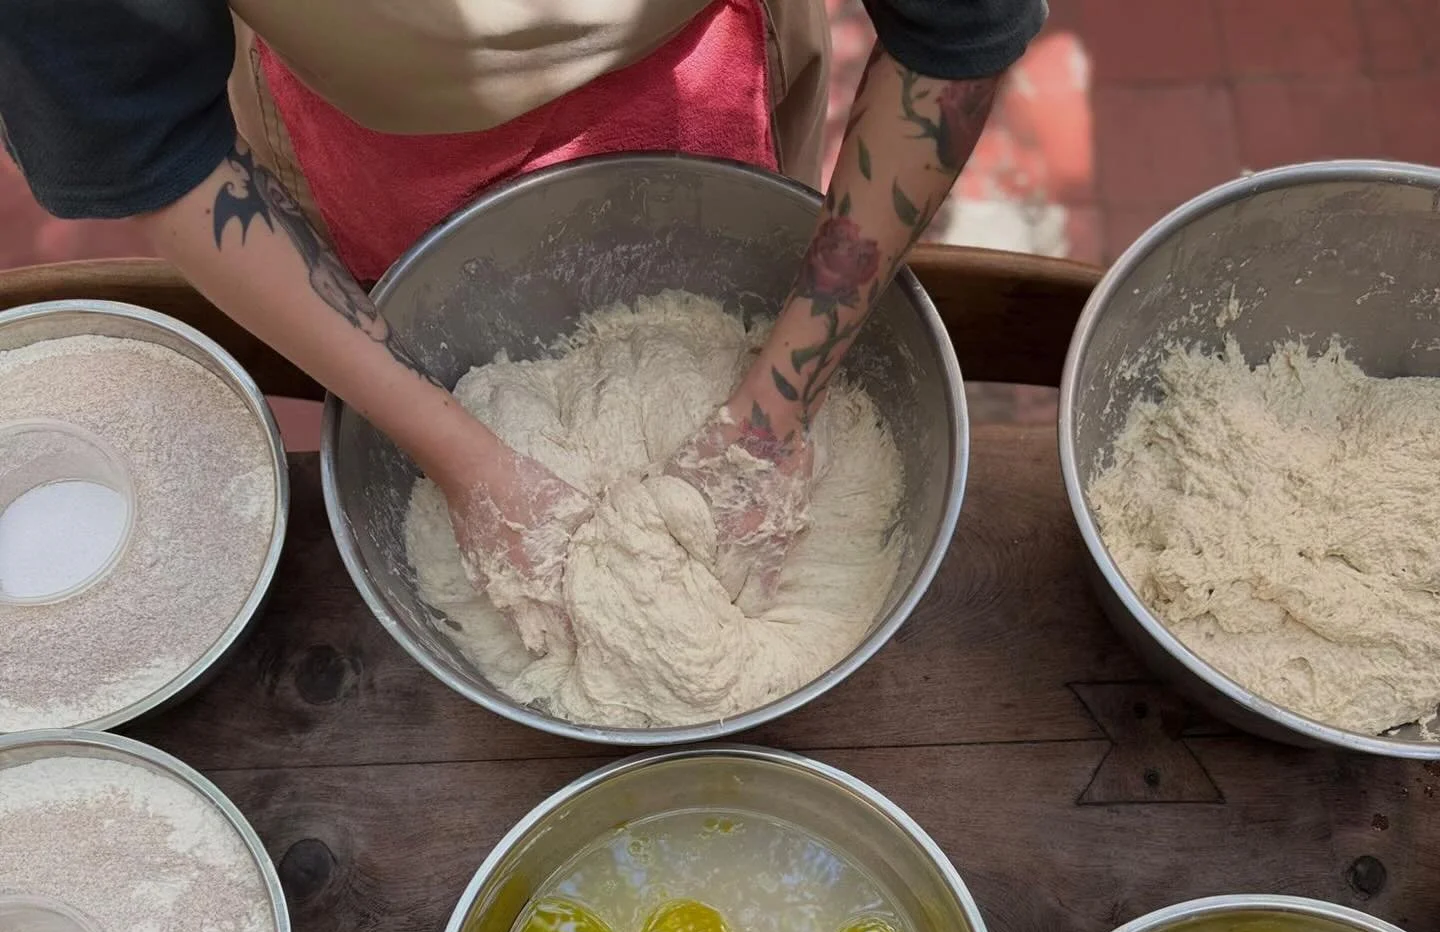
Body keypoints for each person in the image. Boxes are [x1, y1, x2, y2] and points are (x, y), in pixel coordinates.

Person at [0, 0, 1044, 605]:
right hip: (362, 140)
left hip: (707, 67)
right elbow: (143, 140)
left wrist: (773, 412)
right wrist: (463, 456)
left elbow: (953, 28)